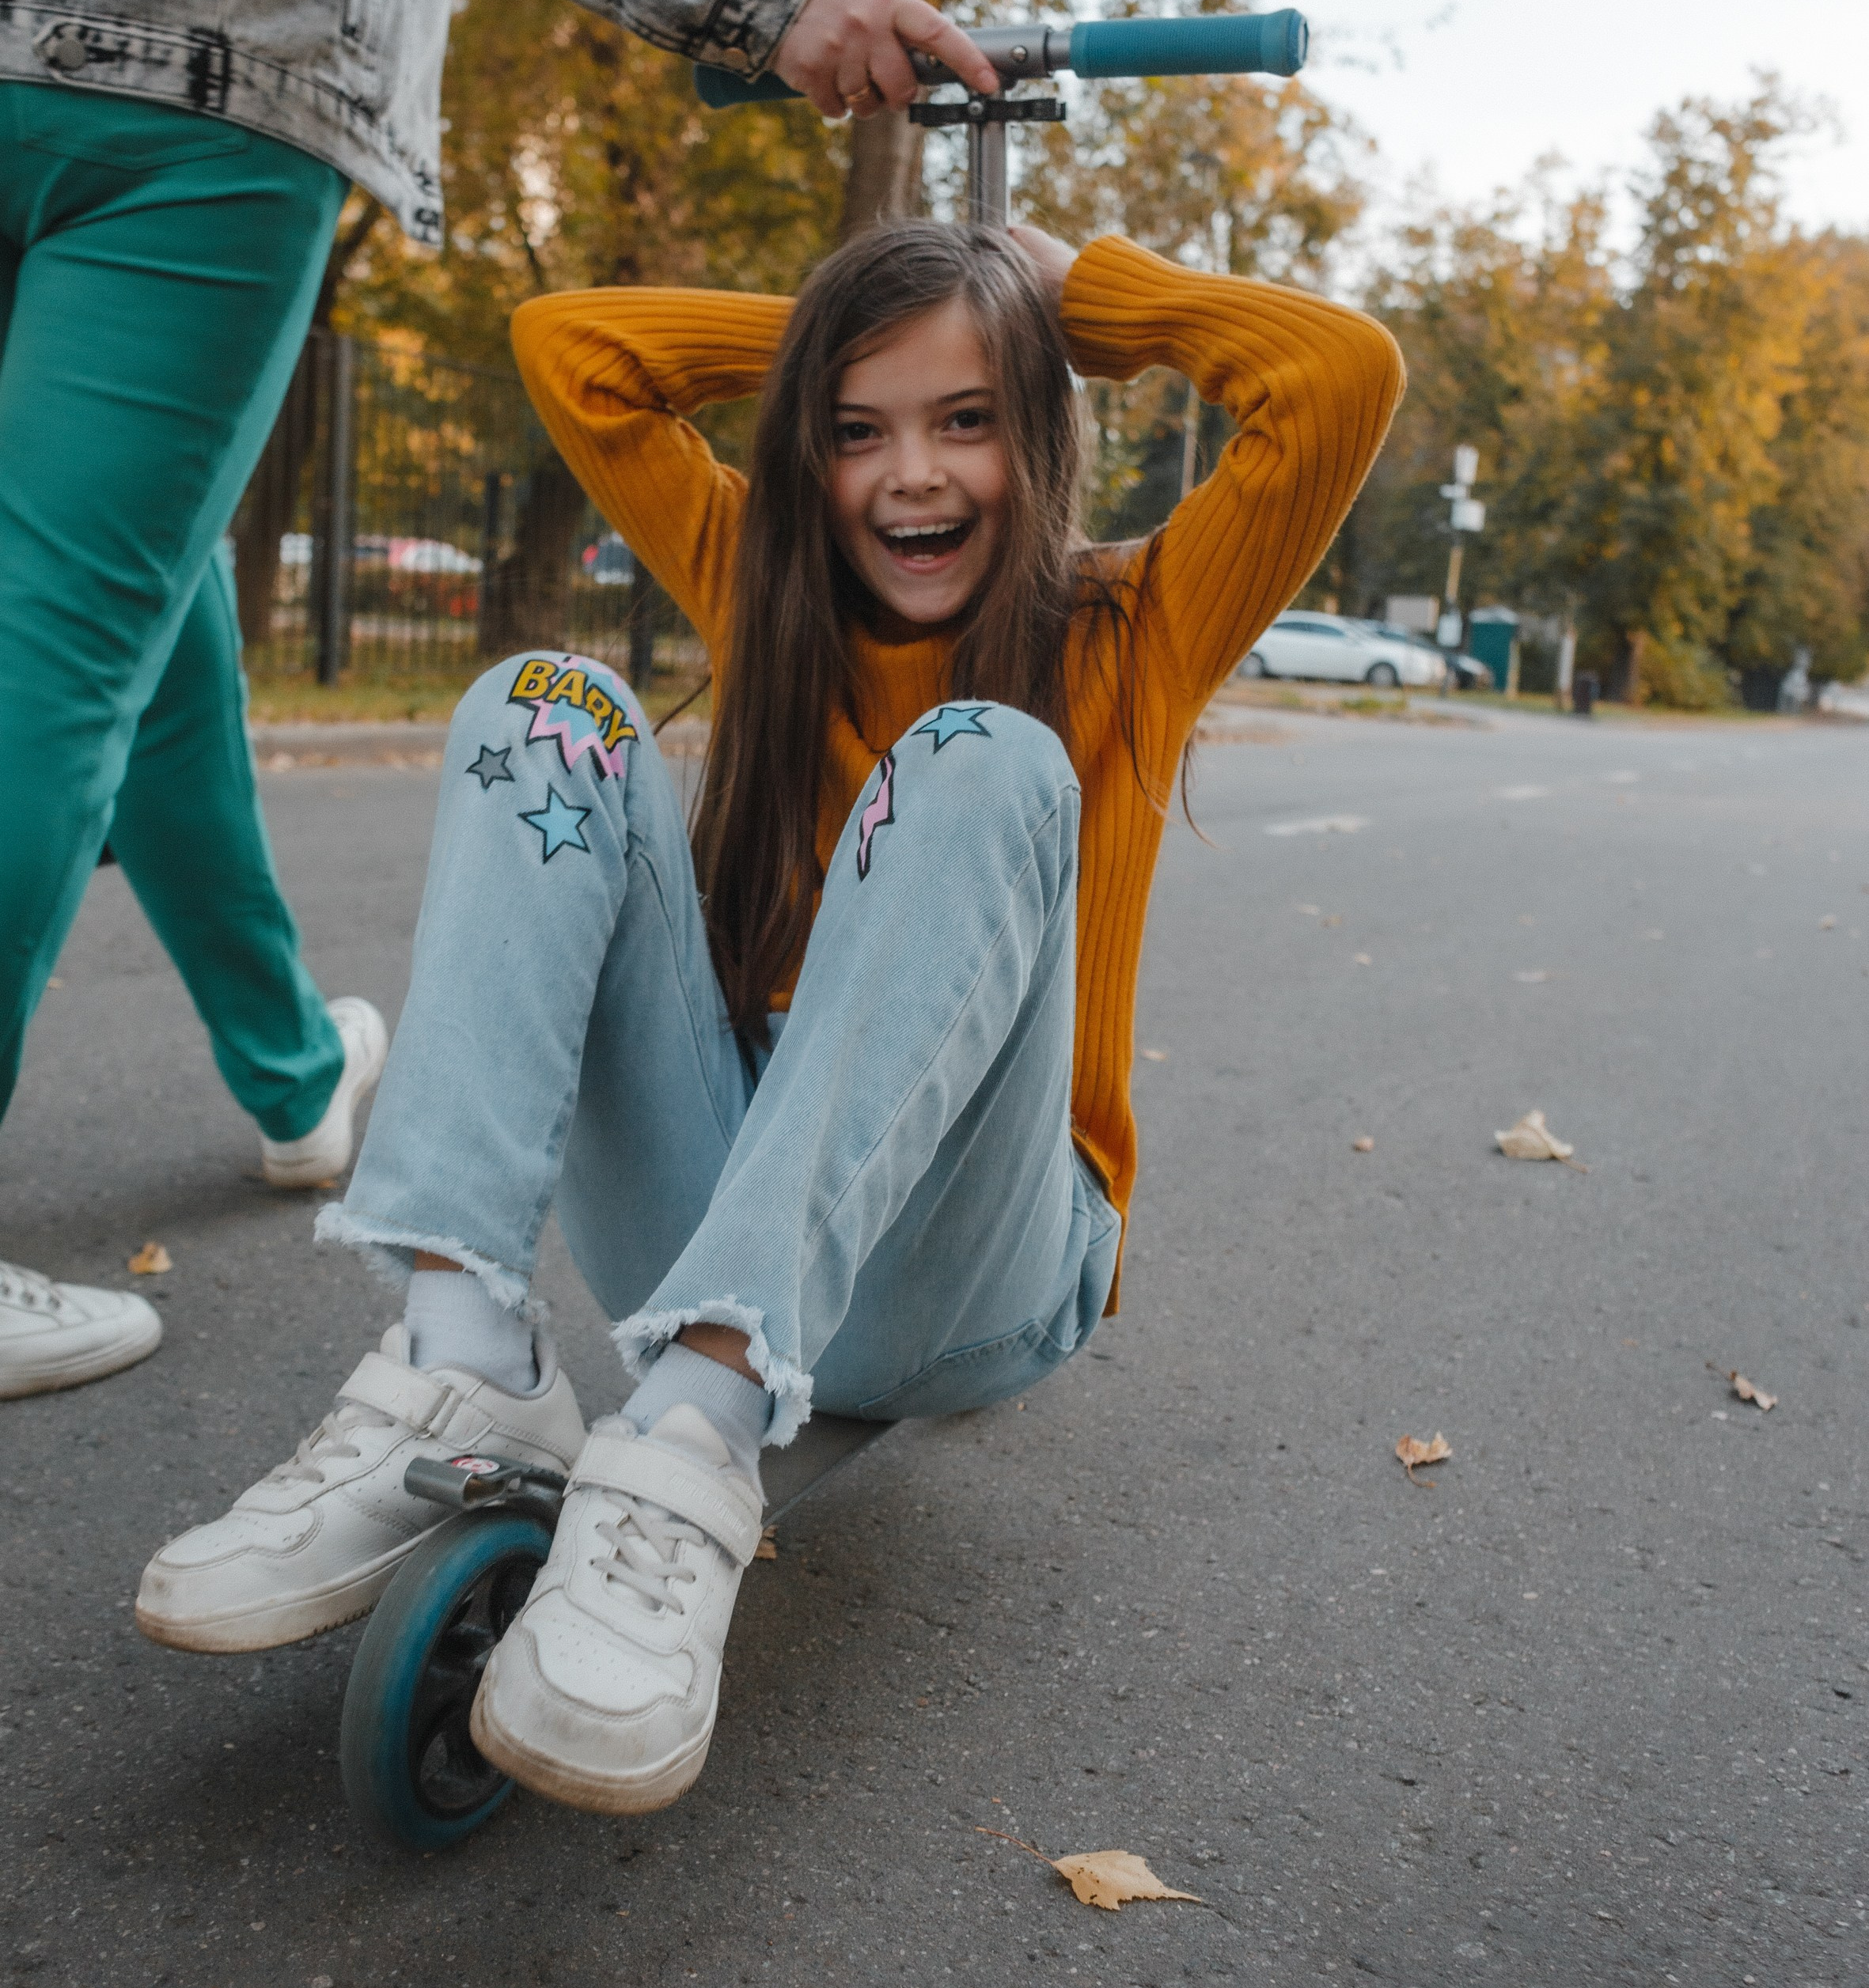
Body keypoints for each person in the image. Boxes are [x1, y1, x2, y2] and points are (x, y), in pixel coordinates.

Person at [137, 217, 1404, 1813]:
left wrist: (1054, 301)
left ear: (1039, 421)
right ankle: (460, 1349)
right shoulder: (762, 572)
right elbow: (571, 349)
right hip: (724, 1187)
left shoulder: (1129, 626)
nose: (909, 479)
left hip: (976, 1261)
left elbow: (1335, 375)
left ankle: (698, 1430)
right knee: (542, 706)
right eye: (853, 427)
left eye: (968, 419)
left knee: (983, 755)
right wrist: (850, 334)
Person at [0, 0, 994, 1400]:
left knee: (139, 595)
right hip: (194, 69)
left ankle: (295, 1070)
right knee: (54, 632)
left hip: (24, 50)